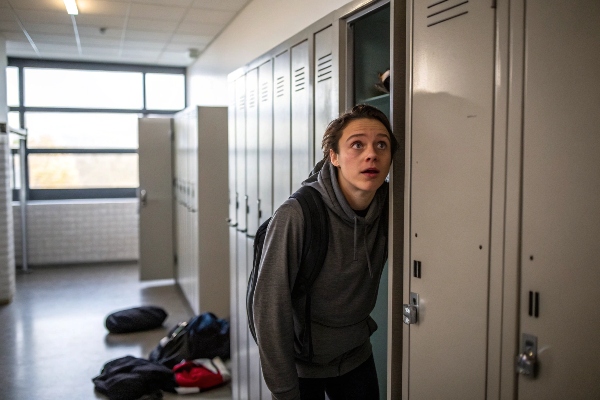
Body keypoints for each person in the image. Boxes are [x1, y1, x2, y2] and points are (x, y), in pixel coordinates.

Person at [253, 104, 399, 400]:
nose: (371, 154)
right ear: (333, 156)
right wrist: (283, 389)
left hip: (356, 354)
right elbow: (269, 309)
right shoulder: (297, 214)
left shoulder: (393, 206)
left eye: (381, 145)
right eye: (357, 144)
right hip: (302, 364)